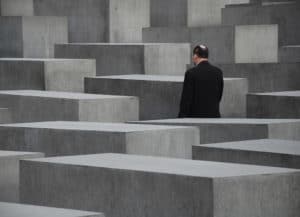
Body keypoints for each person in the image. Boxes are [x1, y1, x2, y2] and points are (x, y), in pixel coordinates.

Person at [178, 45, 224, 118]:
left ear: (195, 56)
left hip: (195, 118)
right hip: (214, 117)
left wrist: (181, 117)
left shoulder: (191, 73)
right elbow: (219, 95)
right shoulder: (218, 72)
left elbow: (186, 99)